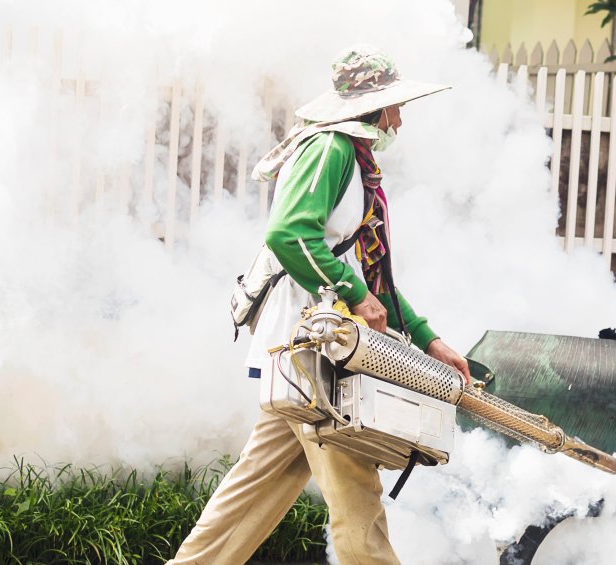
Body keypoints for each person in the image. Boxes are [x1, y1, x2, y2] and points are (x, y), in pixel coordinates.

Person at [168, 45, 471, 565]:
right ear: (371, 109)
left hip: (307, 347)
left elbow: (373, 279)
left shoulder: (352, 158)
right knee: (358, 495)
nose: (400, 119)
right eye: (396, 107)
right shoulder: (330, 149)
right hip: (313, 345)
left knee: (253, 494)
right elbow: (289, 234)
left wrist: (429, 340)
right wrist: (355, 296)